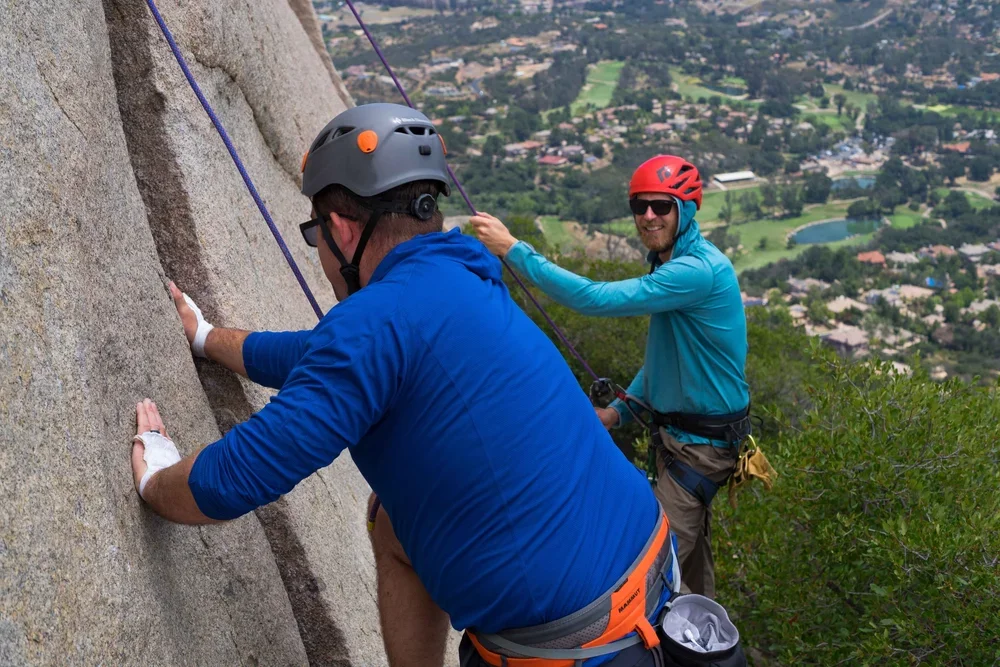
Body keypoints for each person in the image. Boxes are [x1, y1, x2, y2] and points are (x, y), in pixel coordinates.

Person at [129, 103, 680, 667]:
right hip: (653, 567)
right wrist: (207, 337)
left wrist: (154, 482)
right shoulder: (464, 272)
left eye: (315, 233)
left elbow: (237, 477)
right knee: (392, 520)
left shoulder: (378, 324)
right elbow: (318, 355)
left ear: (340, 230)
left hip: (579, 647)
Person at [469, 155, 750, 599]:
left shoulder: (696, 272)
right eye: (640, 207)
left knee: (651, 575)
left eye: (661, 205)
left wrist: (512, 249)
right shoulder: (675, 261)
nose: (649, 216)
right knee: (689, 577)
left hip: (699, 451)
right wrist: (619, 412)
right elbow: (669, 359)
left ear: (686, 209)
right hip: (689, 443)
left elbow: (592, 298)